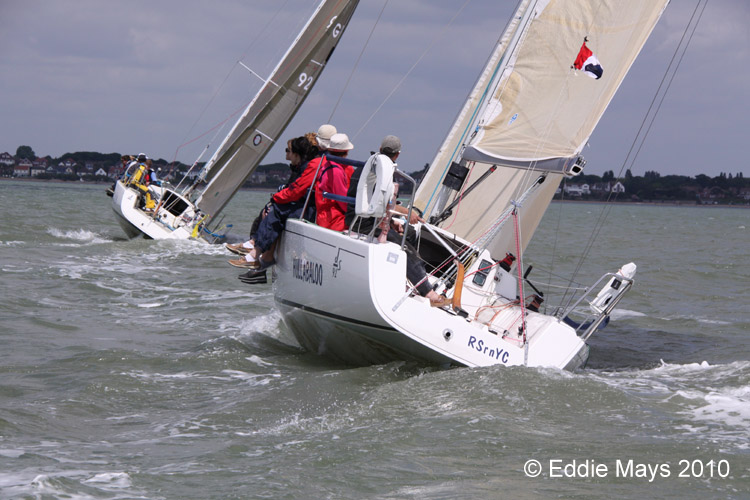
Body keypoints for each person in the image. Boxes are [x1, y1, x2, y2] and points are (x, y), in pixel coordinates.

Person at [345, 136, 450, 307]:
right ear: (398, 155)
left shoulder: (366, 167)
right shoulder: (384, 173)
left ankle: (403, 275)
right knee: (405, 247)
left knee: (407, 233)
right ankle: (427, 291)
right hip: (363, 224)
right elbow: (380, 203)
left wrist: (391, 221)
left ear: (380, 148)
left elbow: (374, 202)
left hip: (357, 218)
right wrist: (396, 218)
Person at [227, 124, 336, 257]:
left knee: (273, 213)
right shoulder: (331, 162)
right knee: (269, 212)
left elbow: (296, 190)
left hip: (312, 209)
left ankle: (258, 255)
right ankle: (255, 251)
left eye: (288, 150)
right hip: (322, 209)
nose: (286, 153)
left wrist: (276, 198)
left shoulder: (314, 163)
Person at [314, 133, 355, 230]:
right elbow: (343, 201)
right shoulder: (336, 171)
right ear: (346, 151)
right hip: (333, 220)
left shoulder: (327, 165)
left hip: (326, 217)